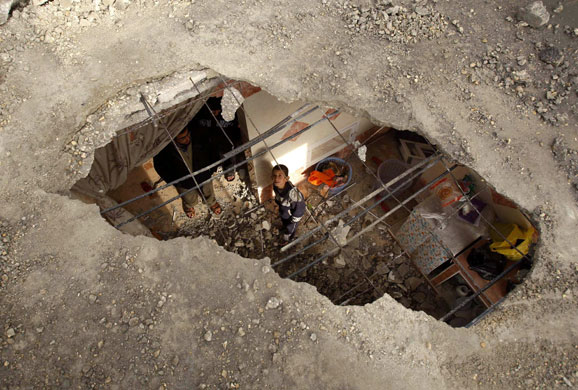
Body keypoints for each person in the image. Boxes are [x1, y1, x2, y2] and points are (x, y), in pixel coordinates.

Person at [153, 127, 221, 217]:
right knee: (188, 197)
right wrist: (175, 182)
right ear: (174, 139)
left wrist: (212, 169)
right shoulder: (166, 149)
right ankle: (189, 206)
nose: (187, 139)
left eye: (188, 135)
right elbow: (160, 166)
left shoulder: (197, 138)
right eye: (183, 138)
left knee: (207, 189)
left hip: (203, 175)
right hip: (184, 181)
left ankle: (211, 202)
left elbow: (212, 149)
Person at [272, 164, 306, 243]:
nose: (276, 178)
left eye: (280, 176)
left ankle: (288, 238)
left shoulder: (294, 195)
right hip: (284, 210)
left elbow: (300, 208)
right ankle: (285, 228)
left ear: (286, 179)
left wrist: (294, 220)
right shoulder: (276, 185)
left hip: (292, 216)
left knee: (290, 228)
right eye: (274, 175)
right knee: (284, 221)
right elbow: (278, 196)